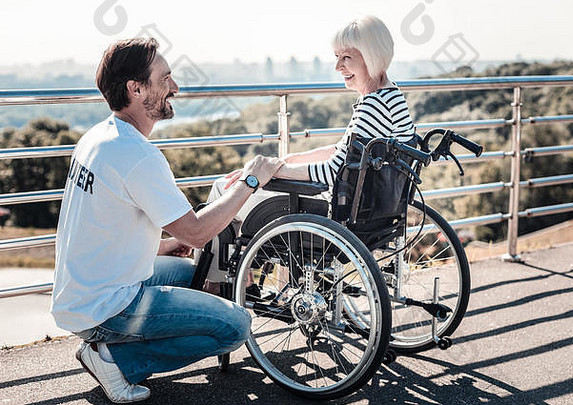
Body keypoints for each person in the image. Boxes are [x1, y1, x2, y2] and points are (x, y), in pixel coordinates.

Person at [50, 38, 283, 403]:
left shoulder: (98, 138)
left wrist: (166, 245)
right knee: (235, 326)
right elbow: (199, 232)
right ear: (136, 88)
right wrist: (252, 181)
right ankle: (115, 359)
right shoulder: (138, 156)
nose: (174, 87)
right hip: (109, 306)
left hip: (83, 292)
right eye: (166, 79)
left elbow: (102, 230)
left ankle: (113, 344)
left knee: (199, 274)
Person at [205, 15, 415, 284]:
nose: (338, 66)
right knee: (237, 190)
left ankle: (217, 289)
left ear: (370, 56)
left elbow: (331, 171)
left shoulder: (372, 106)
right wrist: (283, 162)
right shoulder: (390, 95)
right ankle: (236, 281)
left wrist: (265, 173)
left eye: (346, 58)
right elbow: (346, 151)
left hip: (329, 214)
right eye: (337, 57)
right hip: (376, 212)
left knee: (223, 188)